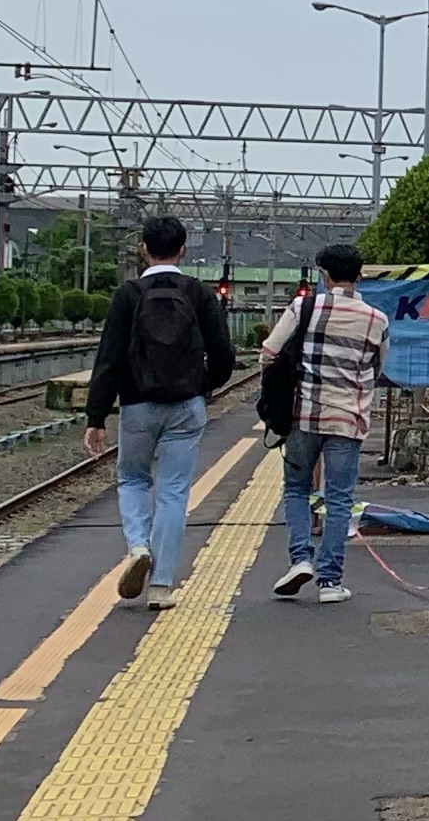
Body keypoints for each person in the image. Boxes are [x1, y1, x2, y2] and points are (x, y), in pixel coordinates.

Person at [82, 214, 236, 610]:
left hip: (136, 405)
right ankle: (162, 585)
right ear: (183, 248)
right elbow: (223, 354)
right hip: (186, 406)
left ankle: (137, 546)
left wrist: (96, 416)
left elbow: (109, 358)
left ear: (142, 249)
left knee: (132, 479)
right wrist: (204, 386)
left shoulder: (128, 294)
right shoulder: (200, 294)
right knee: (172, 492)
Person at [261, 242, 388, 605]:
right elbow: (377, 368)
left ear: (324, 275)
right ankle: (330, 582)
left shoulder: (304, 307)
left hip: (304, 416)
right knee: (339, 499)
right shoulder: (377, 320)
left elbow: (269, 353)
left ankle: (300, 559)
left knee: (297, 489)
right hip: (349, 421)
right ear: (359, 276)